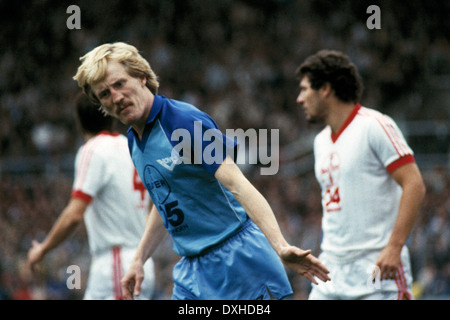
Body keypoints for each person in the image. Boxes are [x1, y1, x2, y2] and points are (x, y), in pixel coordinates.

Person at [73, 42, 330, 300]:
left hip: (239, 260)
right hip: (191, 270)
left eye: (119, 84)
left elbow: (237, 183)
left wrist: (281, 246)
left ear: (142, 78)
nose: (116, 97)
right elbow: (163, 202)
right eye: (104, 94)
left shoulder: (181, 122)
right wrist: (139, 258)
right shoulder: (134, 141)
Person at [295, 50, 426, 300]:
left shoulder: (375, 126)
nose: (300, 99)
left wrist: (395, 247)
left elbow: (414, 184)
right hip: (331, 272)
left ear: (325, 89)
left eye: (304, 89)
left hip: (376, 271)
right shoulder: (320, 142)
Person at [27, 92, 155, 300]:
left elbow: (74, 214)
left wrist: (43, 248)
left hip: (116, 263)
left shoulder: (93, 149)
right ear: (112, 114)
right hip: (141, 259)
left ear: (79, 122)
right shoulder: (133, 147)